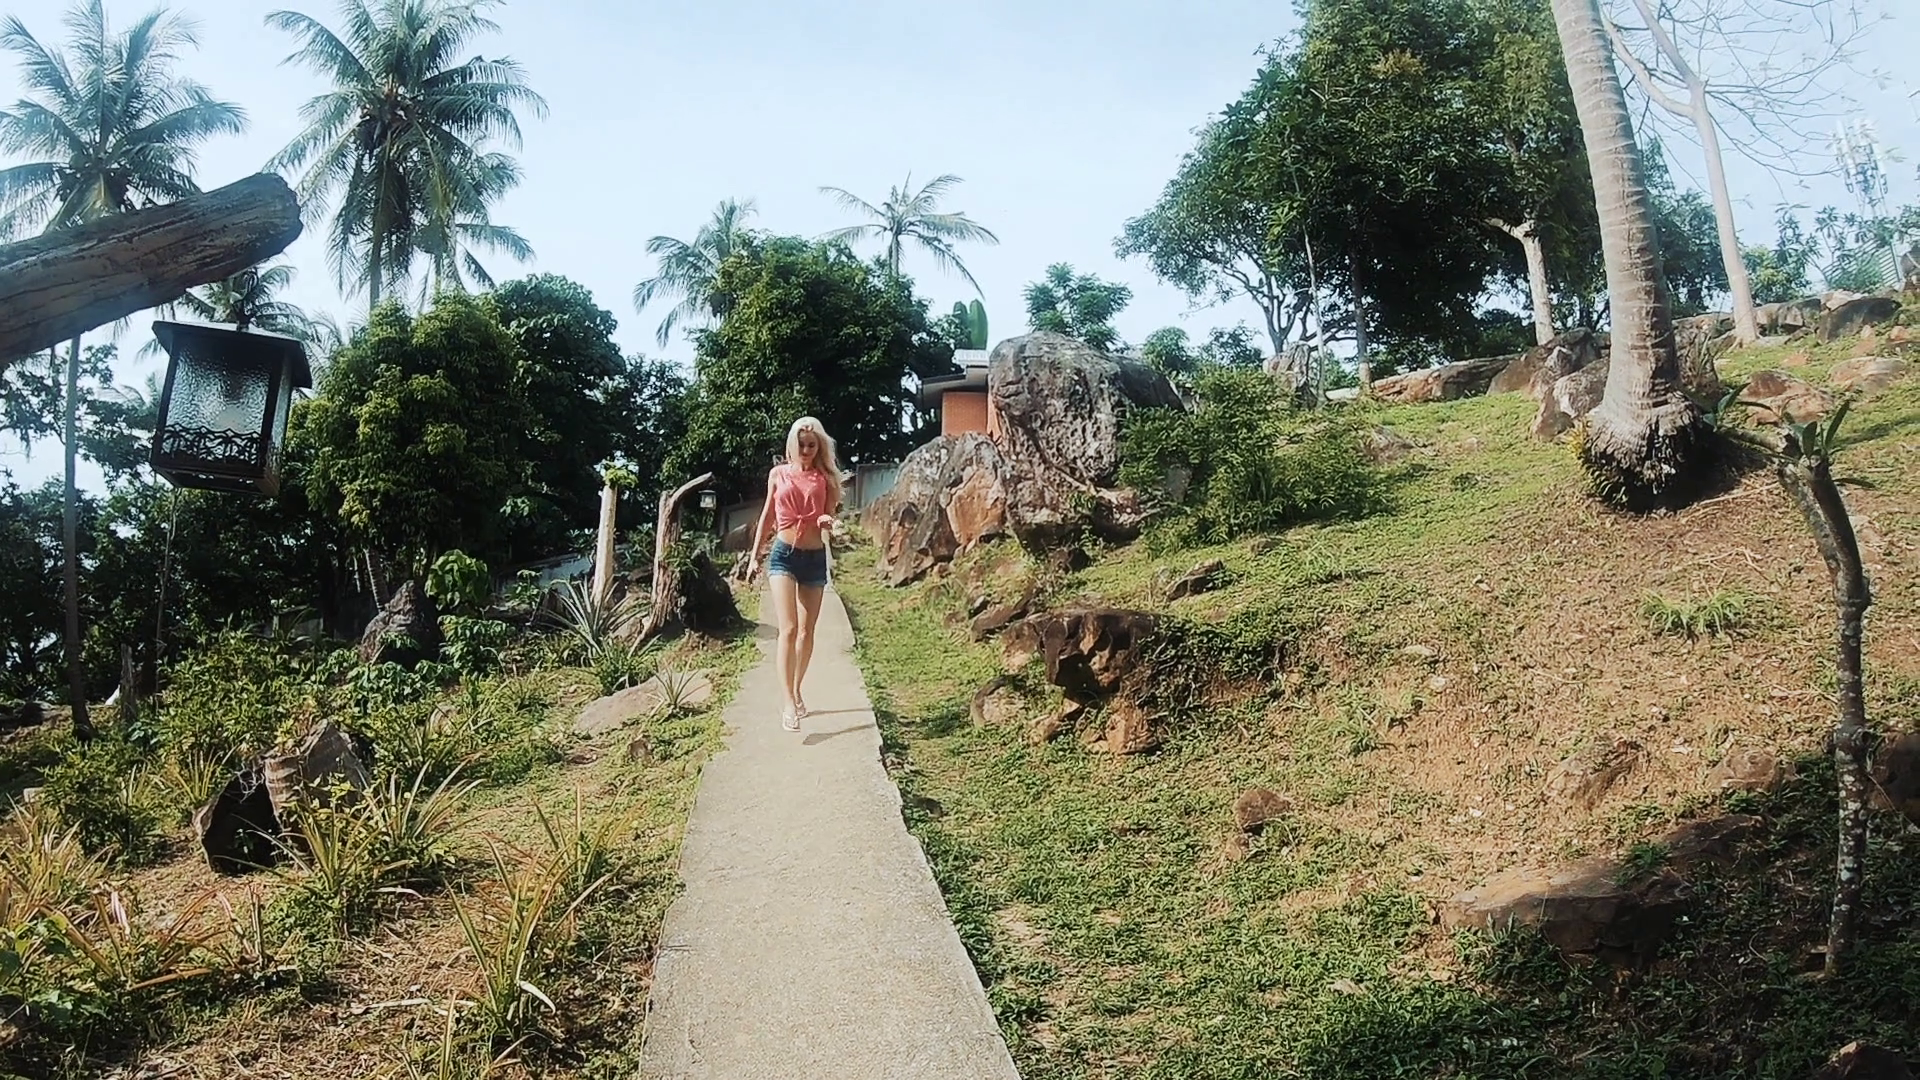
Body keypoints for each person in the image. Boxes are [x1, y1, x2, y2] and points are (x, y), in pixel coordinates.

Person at [746, 417, 843, 732]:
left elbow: (829, 514)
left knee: (806, 632)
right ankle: (788, 701)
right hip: (783, 556)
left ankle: (797, 688)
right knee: (787, 629)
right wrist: (754, 557)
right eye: (801, 444)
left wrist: (828, 521)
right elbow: (767, 516)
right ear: (792, 444)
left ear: (819, 447)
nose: (806, 450)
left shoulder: (824, 478)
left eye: (811, 445)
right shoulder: (778, 474)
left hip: (813, 558)